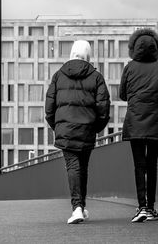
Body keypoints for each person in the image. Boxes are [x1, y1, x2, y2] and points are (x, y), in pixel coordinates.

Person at [45, 40, 110, 224]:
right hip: (87, 129)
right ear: (88, 55)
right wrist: (95, 127)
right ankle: (80, 206)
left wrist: (58, 126)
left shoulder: (59, 75)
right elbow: (103, 108)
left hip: (65, 130)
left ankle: (78, 208)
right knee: (83, 168)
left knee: (73, 167)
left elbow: (49, 107)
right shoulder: (96, 77)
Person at [119, 29, 158, 223]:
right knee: (152, 165)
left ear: (134, 48)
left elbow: (122, 95)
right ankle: (150, 207)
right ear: (156, 49)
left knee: (139, 166)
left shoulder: (129, 68)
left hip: (135, 123)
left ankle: (141, 207)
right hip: (156, 123)